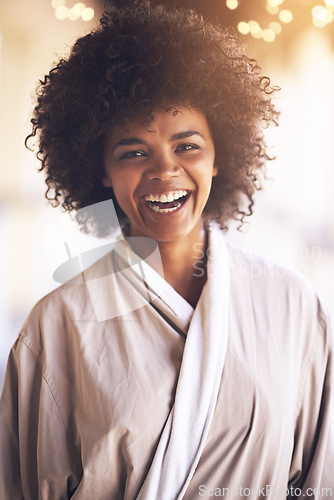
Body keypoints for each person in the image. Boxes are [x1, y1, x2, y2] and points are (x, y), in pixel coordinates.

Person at [0, 2, 333, 499]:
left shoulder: (293, 304)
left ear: (220, 156)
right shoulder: (55, 327)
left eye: (187, 146)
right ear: (101, 173)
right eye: (134, 152)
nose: (164, 172)